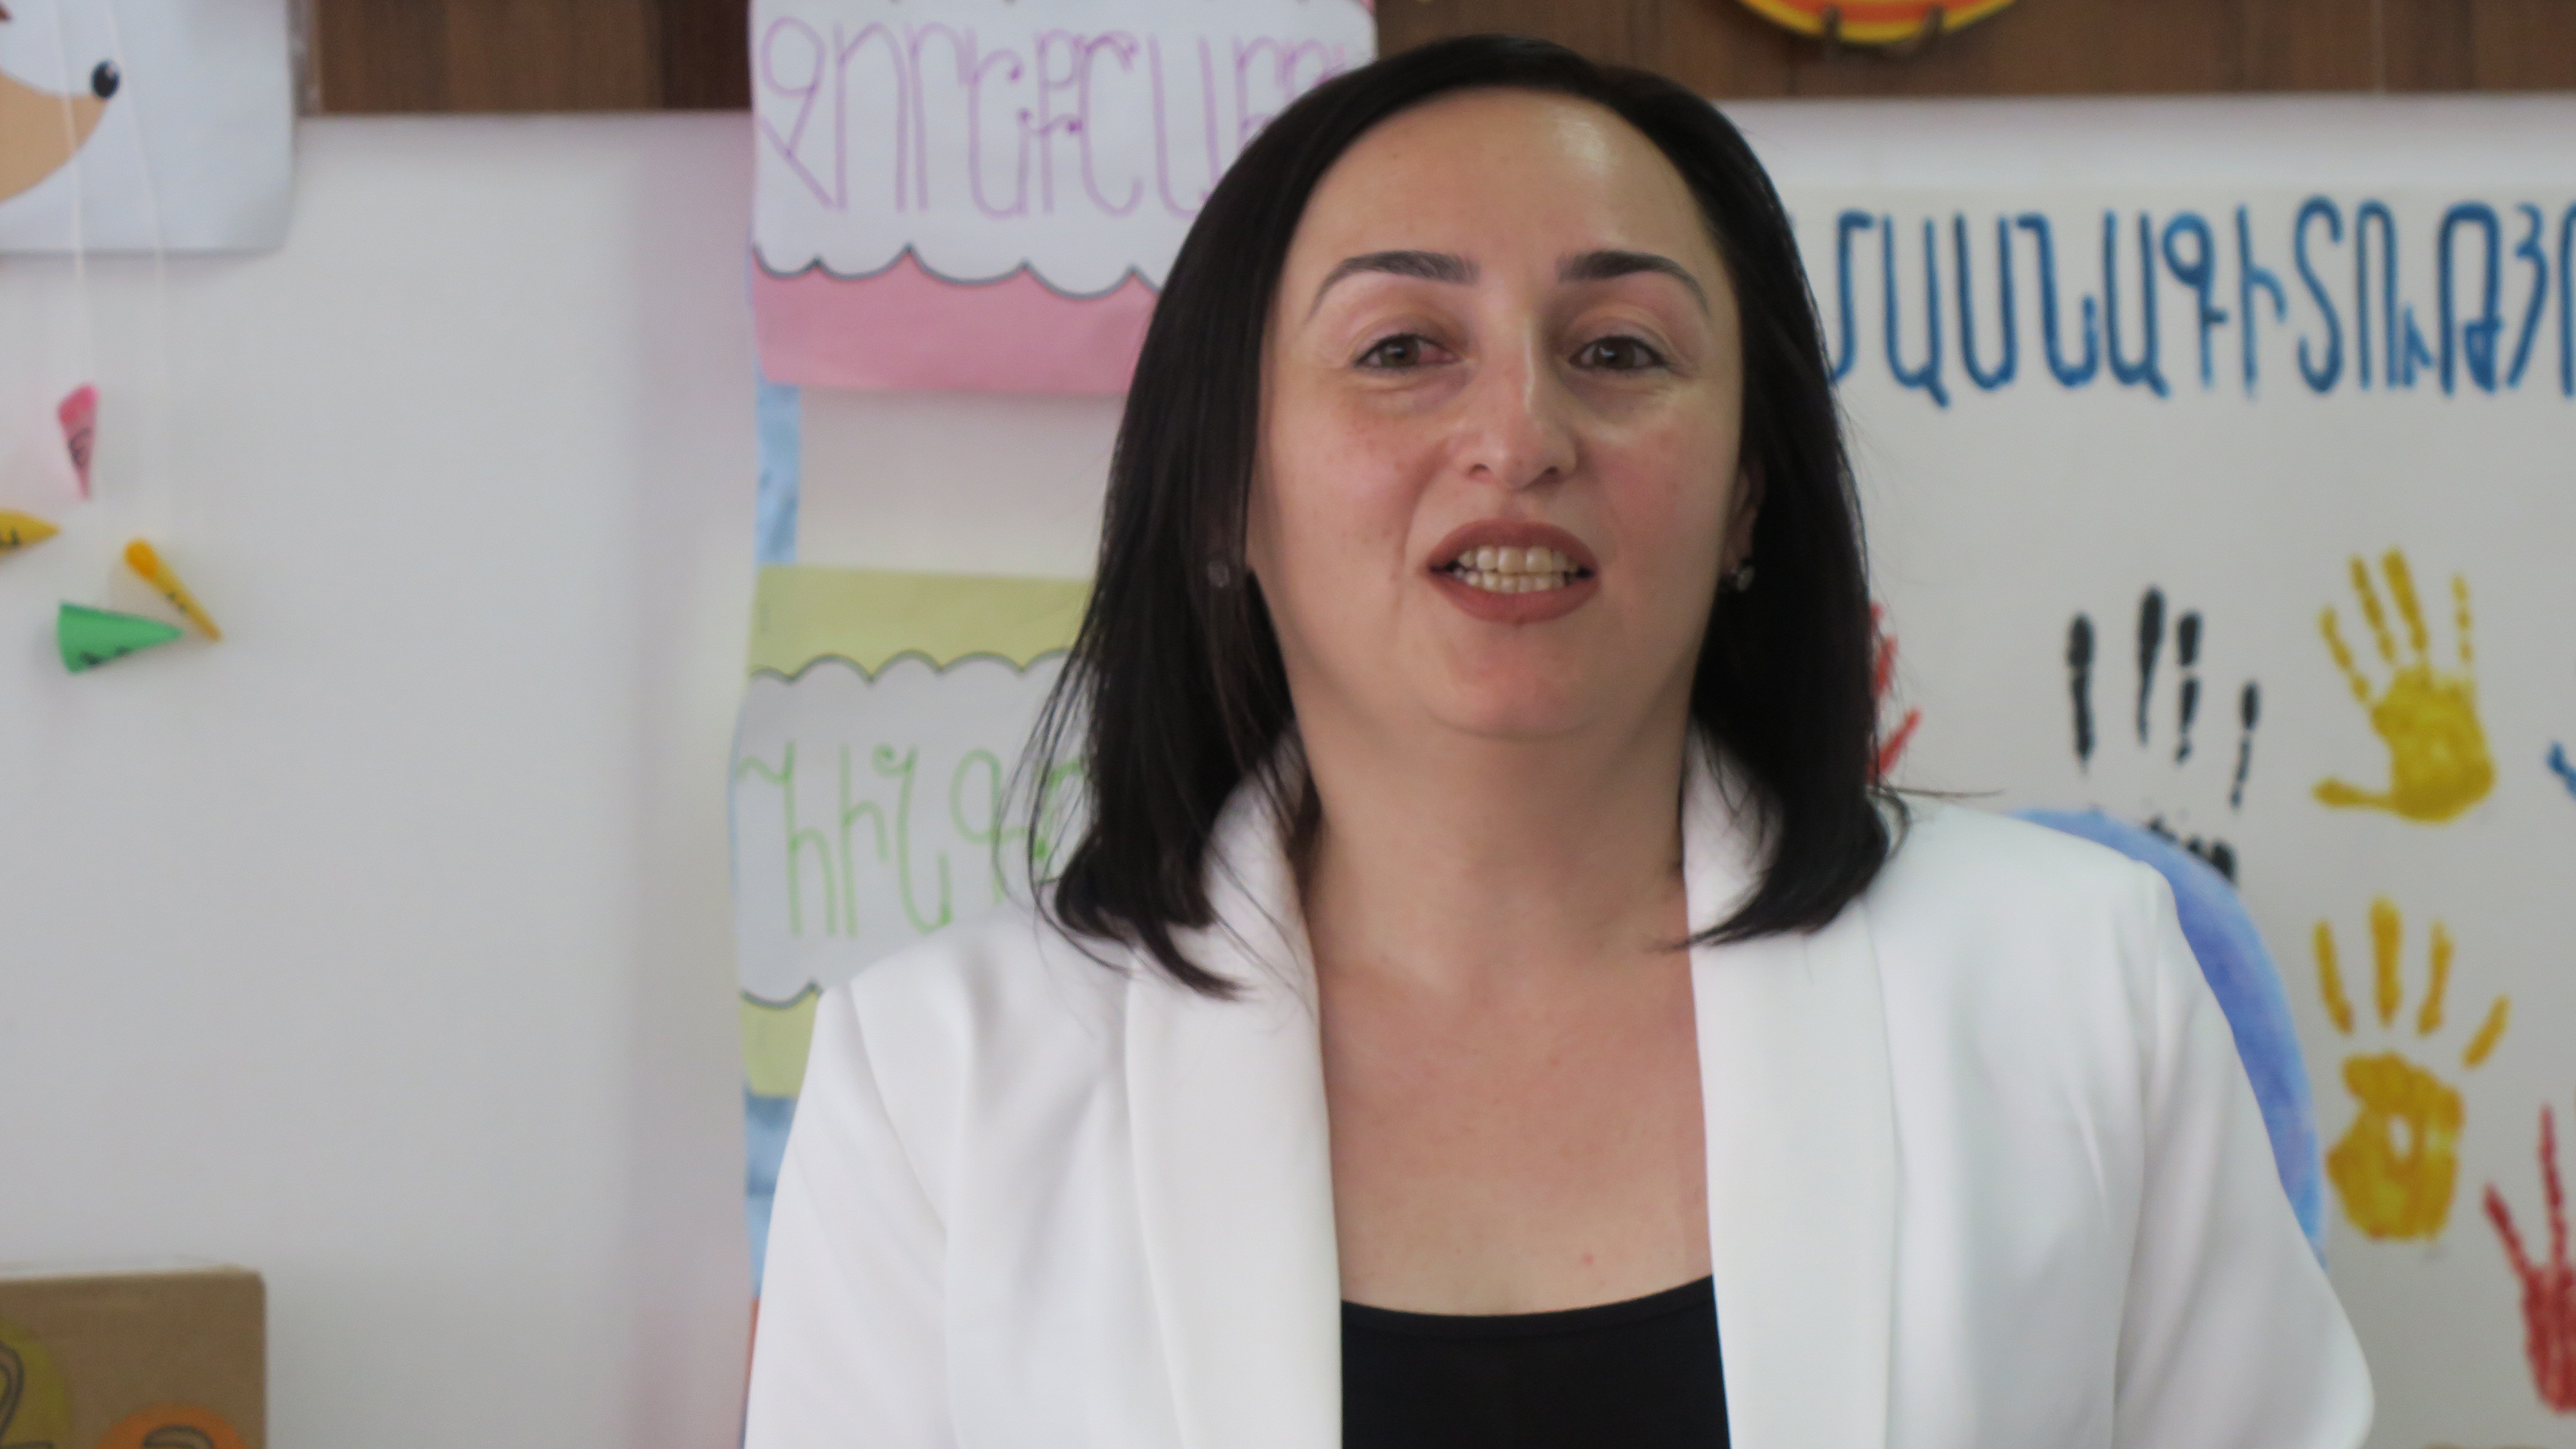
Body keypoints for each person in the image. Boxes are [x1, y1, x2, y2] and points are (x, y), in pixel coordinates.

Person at [743, 34, 2371, 1448]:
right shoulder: (939, 1084)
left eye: (1617, 353)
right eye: (1400, 350)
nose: (1519, 435)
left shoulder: (2079, 983)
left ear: (1747, 493)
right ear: (1226, 485)